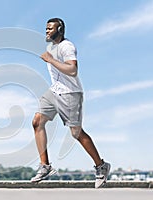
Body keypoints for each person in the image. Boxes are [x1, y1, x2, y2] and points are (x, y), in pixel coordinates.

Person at [30, 18, 111, 188]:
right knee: (37, 121)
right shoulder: (51, 47)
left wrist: (51, 60)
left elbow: (73, 70)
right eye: (45, 29)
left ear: (59, 29)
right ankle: (45, 166)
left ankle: (101, 166)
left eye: (50, 29)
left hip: (70, 94)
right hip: (54, 91)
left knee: (76, 133)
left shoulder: (67, 47)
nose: (46, 32)